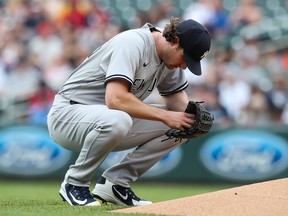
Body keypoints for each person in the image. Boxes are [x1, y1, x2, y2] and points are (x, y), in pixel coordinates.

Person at [47, 17, 211, 207]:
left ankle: (115, 184)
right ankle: (74, 183)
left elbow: (176, 99)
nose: (184, 66)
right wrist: (166, 116)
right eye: (186, 58)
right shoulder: (133, 43)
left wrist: (194, 121)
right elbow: (115, 99)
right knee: (119, 119)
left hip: (106, 120)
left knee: (185, 124)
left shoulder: (168, 58)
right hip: (68, 114)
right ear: (174, 40)